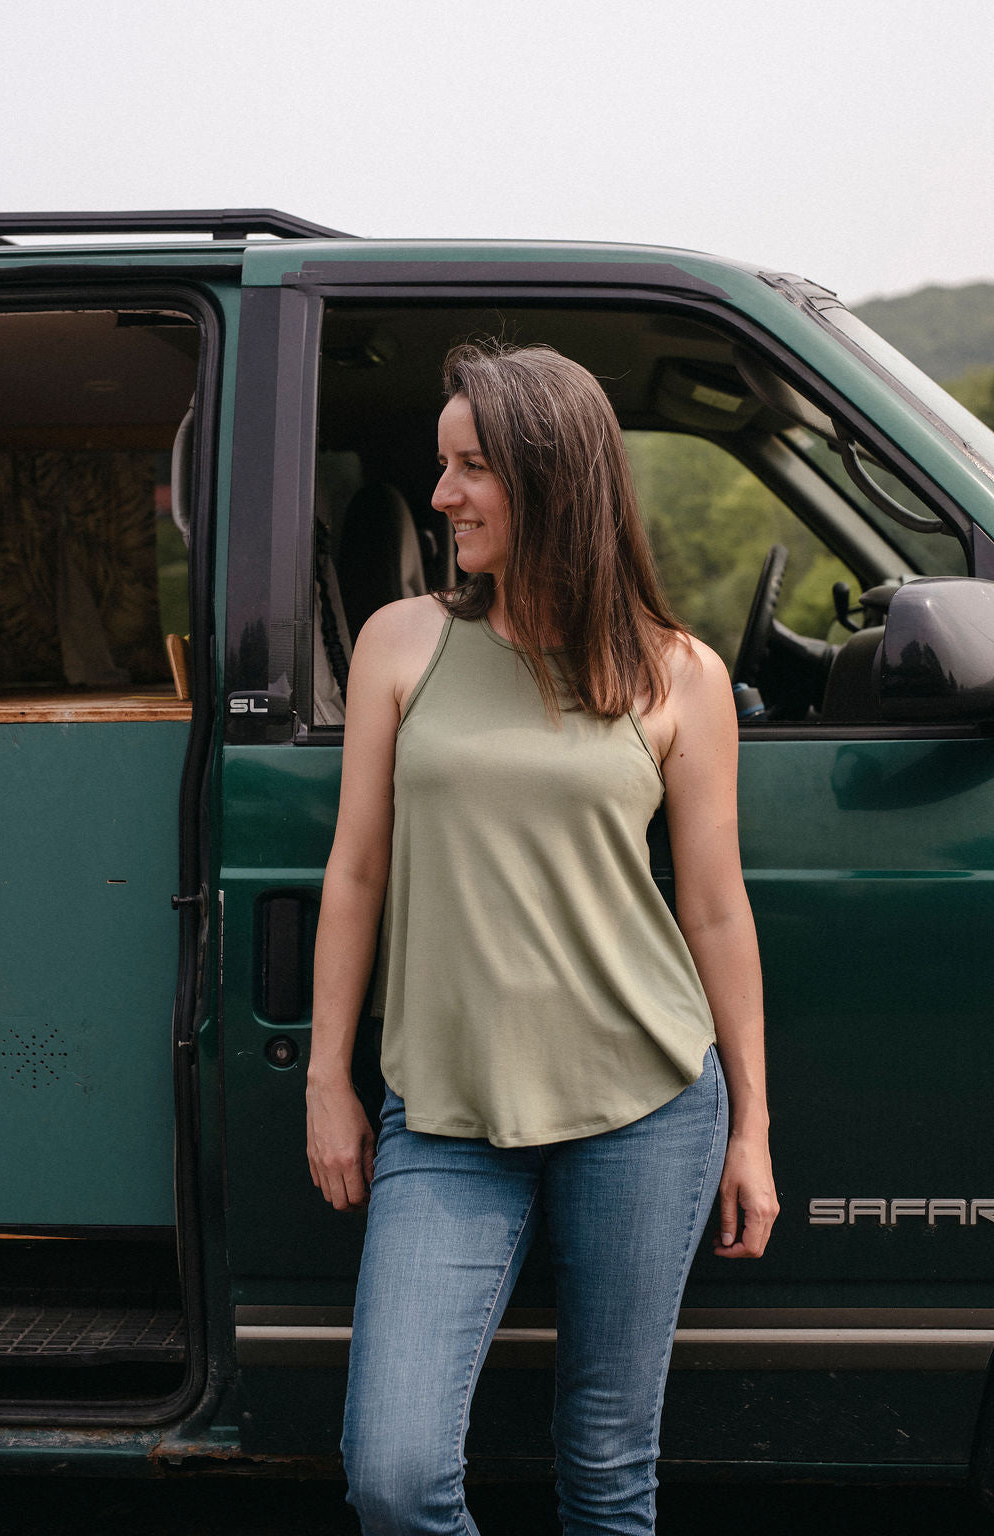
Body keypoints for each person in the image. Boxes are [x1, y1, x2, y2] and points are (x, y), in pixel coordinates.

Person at [305, 341, 779, 1534]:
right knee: (394, 1476)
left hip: (649, 1104)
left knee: (610, 1470)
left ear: (554, 481)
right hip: (447, 1115)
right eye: (442, 464)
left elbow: (715, 908)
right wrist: (327, 1076)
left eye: (471, 469)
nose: (443, 494)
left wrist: (754, 1129)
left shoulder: (680, 674)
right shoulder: (400, 644)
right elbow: (356, 871)